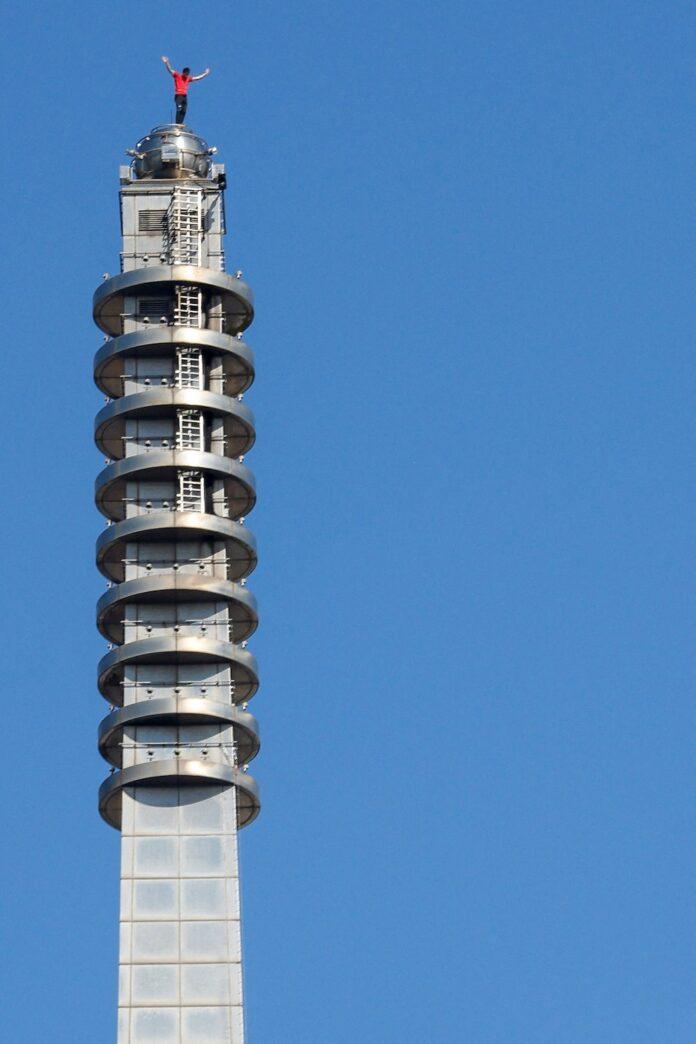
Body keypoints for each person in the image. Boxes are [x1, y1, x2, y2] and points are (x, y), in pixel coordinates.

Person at [161, 56, 210, 124]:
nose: (186, 75)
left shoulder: (188, 78)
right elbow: (170, 70)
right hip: (178, 95)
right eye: (185, 74)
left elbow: (197, 78)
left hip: (184, 96)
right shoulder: (178, 75)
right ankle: (178, 118)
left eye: (187, 74)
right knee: (179, 107)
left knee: (184, 110)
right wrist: (167, 62)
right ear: (183, 72)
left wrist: (205, 74)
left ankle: (179, 123)